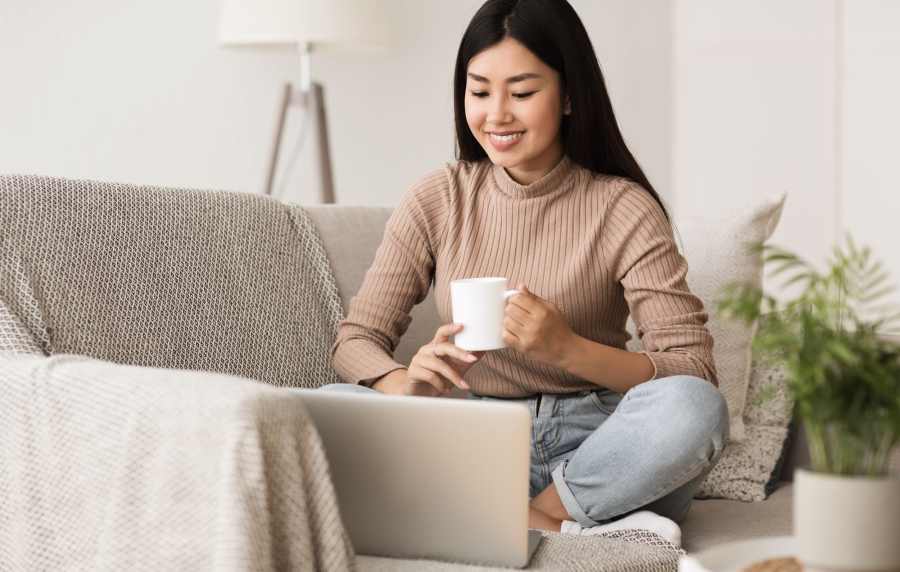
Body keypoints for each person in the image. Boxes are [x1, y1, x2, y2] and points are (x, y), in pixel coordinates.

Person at [327, 0, 728, 546]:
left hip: (603, 447)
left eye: (521, 93)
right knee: (326, 407)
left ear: (567, 95)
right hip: (477, 435)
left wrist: (567, 350)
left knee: (694, 409)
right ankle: (563, 527)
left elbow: (692, 371)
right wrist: (407, 387)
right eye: (479, 90)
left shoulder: (622, 207)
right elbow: (356, 342)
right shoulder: (438, 197)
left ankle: (535, 516)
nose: (497, 115)